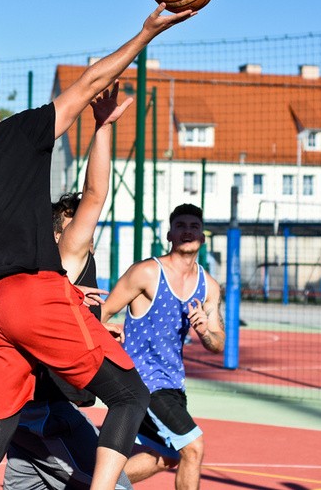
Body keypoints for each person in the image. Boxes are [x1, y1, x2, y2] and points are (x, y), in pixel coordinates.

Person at [0, 3, 195, 490]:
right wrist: (146, 32)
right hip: (31, 292)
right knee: (129, 395)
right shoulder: (12, 137)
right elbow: (90, 82)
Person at [4, 83, 134, 490]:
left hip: (33, 412)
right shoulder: (66, 254)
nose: (86, 227)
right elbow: (95, 195)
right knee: (115, 486)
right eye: (74, 221)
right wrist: (103, 127)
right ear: (62, 228)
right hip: (46, 412)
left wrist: (97, 326)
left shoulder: (54, 266)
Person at [101, 203, 225, 490]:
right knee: (193, 446)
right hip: (141, 380)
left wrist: (205, 331)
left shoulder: (209, 287)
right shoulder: (146, 272)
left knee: (167, 456)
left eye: (194, 227)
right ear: (169, 234)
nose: (187, 231)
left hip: (172, 384)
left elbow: (217, 344)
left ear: (202, 237)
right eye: (180, 226)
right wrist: (104, 333)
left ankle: (90, 484)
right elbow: (103, 313)